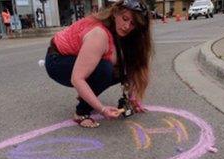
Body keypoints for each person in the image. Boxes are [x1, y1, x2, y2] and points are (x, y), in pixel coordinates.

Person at [44, 0, 151, 128]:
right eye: (125, 18)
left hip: (76, 57)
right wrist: (102, 109)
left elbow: (133, 68)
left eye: (133, 24)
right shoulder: (99, 34)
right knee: (105, 69)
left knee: (119, 68)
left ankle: (86, 94)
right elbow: (77, 78)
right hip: (57, 60)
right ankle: (81, 113)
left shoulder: (126, 34)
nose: (127, 26)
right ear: (115, 12)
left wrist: (133, 99)